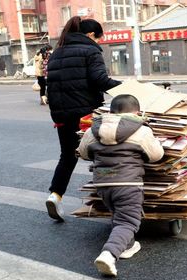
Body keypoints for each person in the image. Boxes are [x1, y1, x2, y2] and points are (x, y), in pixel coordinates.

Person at [78, 94, 164, 276]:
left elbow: (83, 153)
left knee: (120, 216)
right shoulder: (141, 131)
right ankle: (109, 254)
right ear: (137, 112)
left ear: (110, 112)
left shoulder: (93, 130)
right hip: (127, 184)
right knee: (128, 222)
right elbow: (156, 155)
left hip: (102, 183)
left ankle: (129, 245)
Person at [45, 16, 121, 221]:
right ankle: (108, 201)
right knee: (102, 156)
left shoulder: (57, 52)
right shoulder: (90, 51)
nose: (98, 43)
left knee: (68, 156)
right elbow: (99, 80)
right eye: (98, 39)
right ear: (90, 35)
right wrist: (127, 87)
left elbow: (49, 85)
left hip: (62, 115)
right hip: (85, 115)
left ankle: (55, 195)